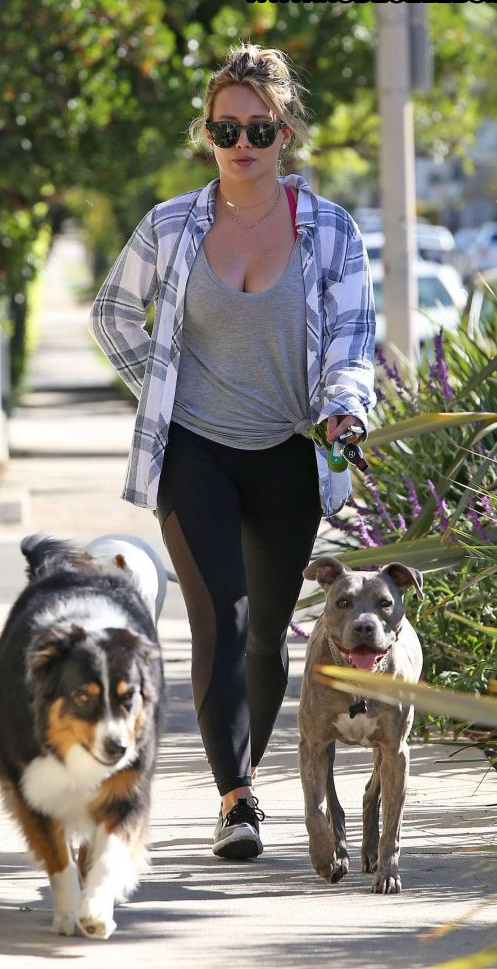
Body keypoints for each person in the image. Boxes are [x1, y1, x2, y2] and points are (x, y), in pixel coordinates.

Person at [89, 43, 376, 861]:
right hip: (194, 450)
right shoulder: (171, 225)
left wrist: (344, 410)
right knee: (222, 615)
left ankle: (247, 775)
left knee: (266, 632)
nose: (241, 143)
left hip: (287, 452)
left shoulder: (330, 230)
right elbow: (113, 315)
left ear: (285, 133)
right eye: (225, 129)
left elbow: (352, 341)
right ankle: (237, 798)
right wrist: (163, 386)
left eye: (258, 128)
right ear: (207, 134)